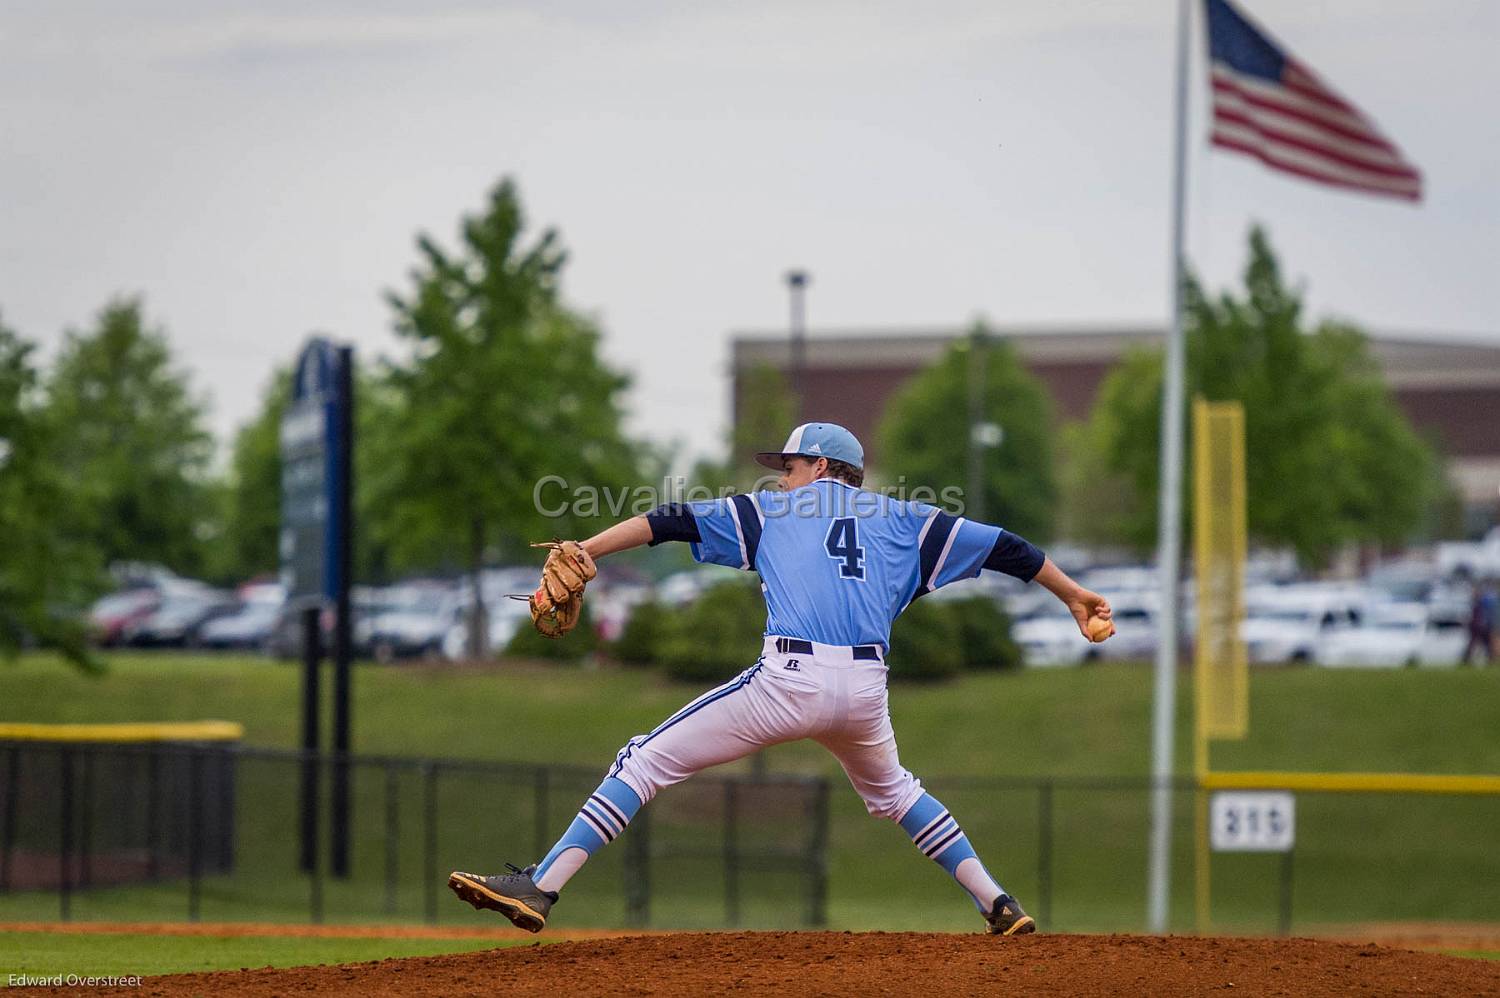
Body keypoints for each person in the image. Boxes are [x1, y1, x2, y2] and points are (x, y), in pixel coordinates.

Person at [449, 422, 1113, 936]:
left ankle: (543, 885)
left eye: (788, 466)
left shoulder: (774, 513)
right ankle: (997, 901)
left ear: (820, 466)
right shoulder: (910, 520)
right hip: (865, 693)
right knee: (894, 792)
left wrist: (588, 548)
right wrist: (1075, 596)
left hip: (790, 679)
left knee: (644, 759)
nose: (781, 478)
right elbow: (1009, 549)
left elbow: (670, 521)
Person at [1463, 578, 1496, 665]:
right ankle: (1467, 659)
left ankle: (1490, 658)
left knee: (1484, 644)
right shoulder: (1478, 603)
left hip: (1481, 626)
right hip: (1477, 626)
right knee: (1475, 643)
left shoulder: (1482, 602)